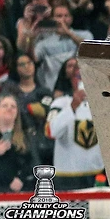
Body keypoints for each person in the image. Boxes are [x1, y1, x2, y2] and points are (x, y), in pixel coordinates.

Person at [44, 57, 103, 191]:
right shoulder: (59, 103)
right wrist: (72, 107)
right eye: (78, 75)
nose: (83, 79)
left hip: (98, 174)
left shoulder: (104, 104)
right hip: (67, 176)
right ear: (72, 79)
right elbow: (50, 132)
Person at [33, 3, 93, 92]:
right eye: (59, 16)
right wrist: (30, 37)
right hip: (52, 90)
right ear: (52, 19)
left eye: (66, 16)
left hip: (80, 90)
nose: (62, 20)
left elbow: (89, 50)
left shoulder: (85, 34)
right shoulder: (44, 43)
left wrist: (69, 33)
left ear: (71, 19)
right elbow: (34, 59)